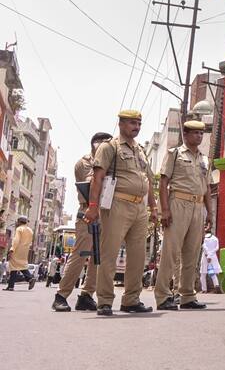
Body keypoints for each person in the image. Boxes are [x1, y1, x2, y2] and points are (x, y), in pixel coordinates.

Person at [83, 110, 158, 316]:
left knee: (138, 256)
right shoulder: (109, 147)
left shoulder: (141, 150)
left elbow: (148, 181)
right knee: (109, 254)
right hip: (117, 204)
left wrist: (154, 208)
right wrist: (92, 206)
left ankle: (131, 300)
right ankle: (105, 301)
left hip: (139, 208)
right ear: (121, 124)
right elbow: (97, 178)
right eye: (132, 122)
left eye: (139, 123)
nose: (136, 126)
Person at [155, 120, 212, 311]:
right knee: (170, 252)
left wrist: (209, 213)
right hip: (178, 202)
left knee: (192, 253)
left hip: (198, 206)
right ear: (185, 135)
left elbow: (208, 189)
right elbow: (163, 183)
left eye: (201, 133)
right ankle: (163, 295)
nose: (199, 136)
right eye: (195, 133)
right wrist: (164, 210)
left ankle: (187, 295)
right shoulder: (174, 154)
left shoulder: (204, 159)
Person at [52, 132, 111, 312]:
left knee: (97, 258)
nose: (104, 147)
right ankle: (61, 295)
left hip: (106, 213)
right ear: (93, 144)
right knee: (81, 254)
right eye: (100, 143)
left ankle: (87, 295)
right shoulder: (85, 162)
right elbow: (91, 182)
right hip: (88, 211)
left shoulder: (110, 162)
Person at [3, 216, 36, 291]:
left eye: (17, 221)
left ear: (19, 222)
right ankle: (28, 279)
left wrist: (12, 249)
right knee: (22, 265)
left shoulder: (19, 229)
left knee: (14, 267)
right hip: (25, 251)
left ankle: (12, 285)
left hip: (17, 249)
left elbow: (16, 240)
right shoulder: (30, 230)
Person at [201, 224, 221, 293]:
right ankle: (216, 285)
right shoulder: (215, 238)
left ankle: (204, 289)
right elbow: (217, 248)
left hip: (205, 256)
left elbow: (204, 247)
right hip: (213, 256)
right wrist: (211, 255)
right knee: (212, 273)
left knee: (203, 273)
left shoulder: (204, 239)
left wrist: (208, 255)